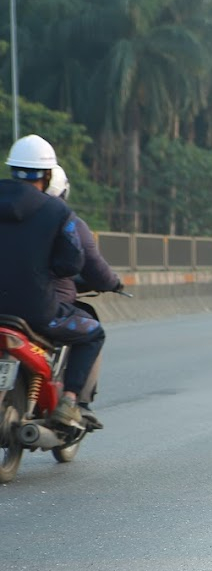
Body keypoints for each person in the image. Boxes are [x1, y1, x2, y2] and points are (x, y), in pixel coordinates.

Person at [0, 135, 98, 429]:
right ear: (47, 175)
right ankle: (69, 402)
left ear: (13, 169)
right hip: (38, 312)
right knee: (92, 333)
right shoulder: (58, 211)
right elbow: (71, 263)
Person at [46, 165, 123, 429]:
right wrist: (113, 283)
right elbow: (93, 267)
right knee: (92, 331)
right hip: (44, 308)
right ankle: (72, 400)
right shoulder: (67, 221)